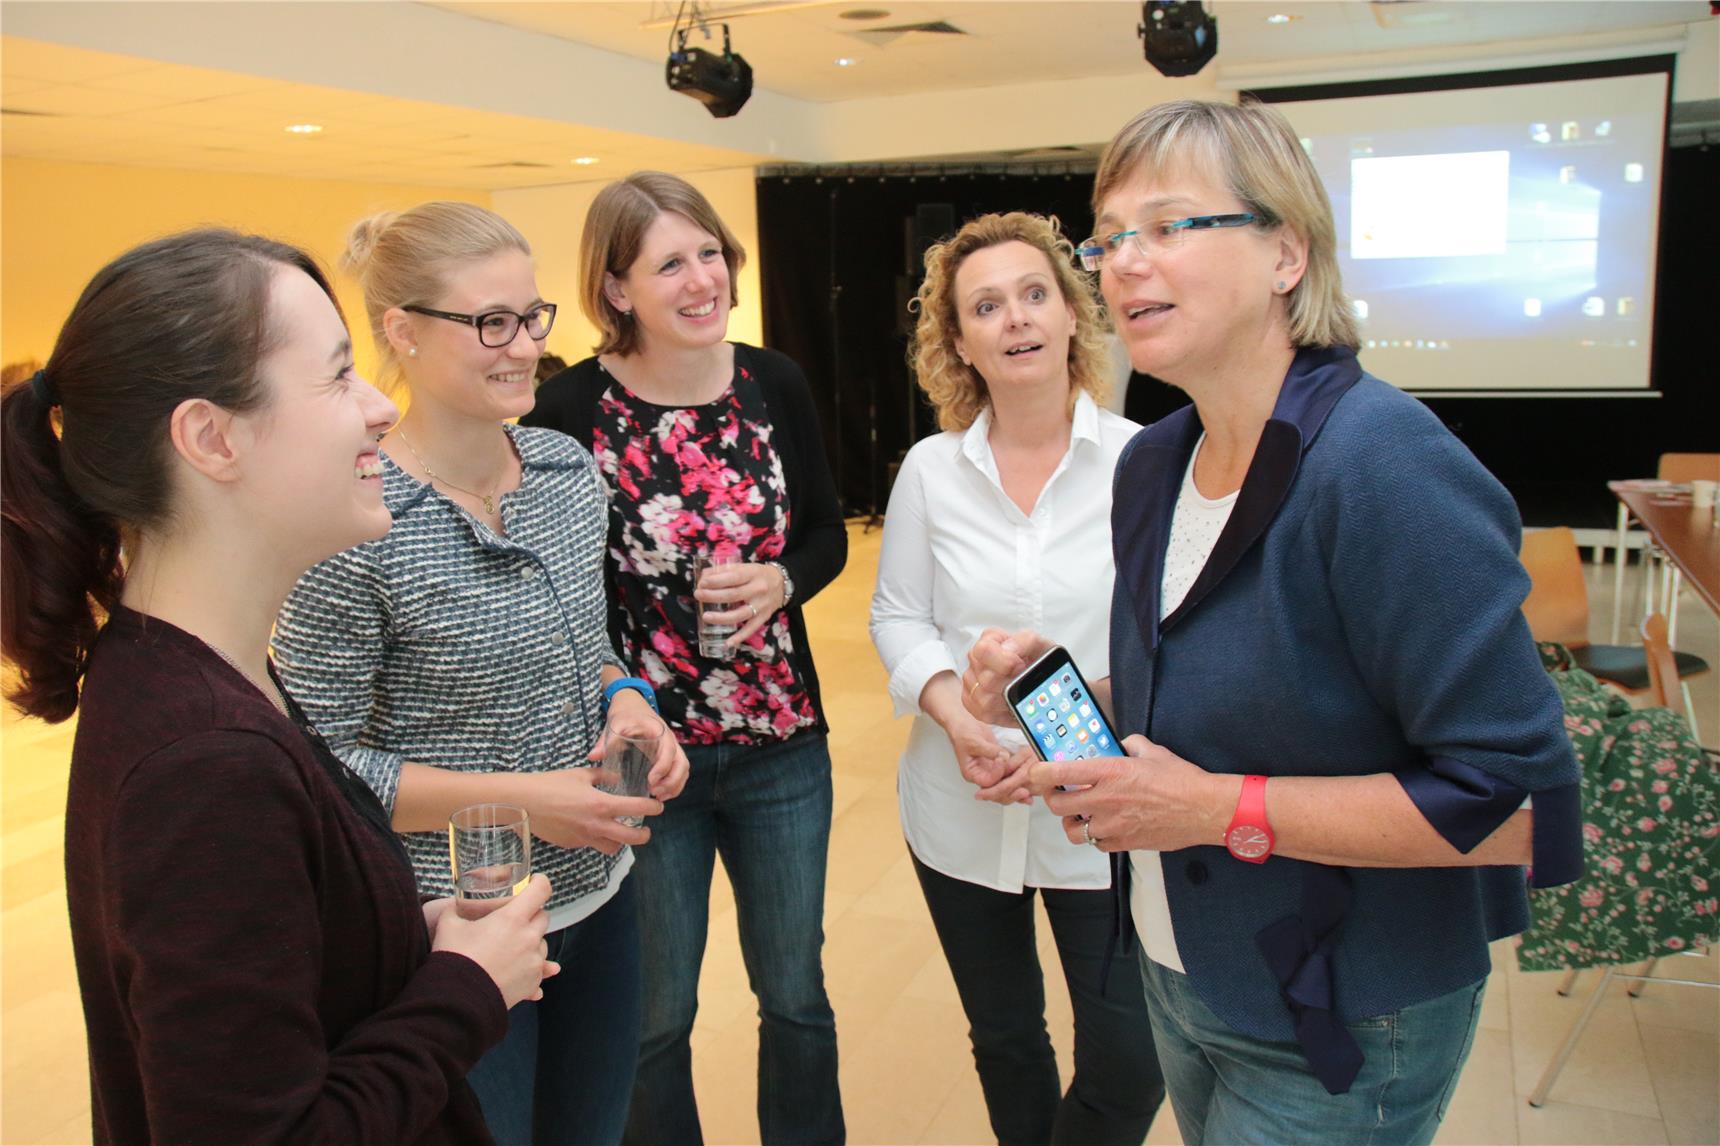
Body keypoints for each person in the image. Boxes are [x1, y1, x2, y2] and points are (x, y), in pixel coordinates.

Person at [962, 100, 1583, 1146]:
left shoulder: (1384, 465)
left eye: (1168, 226)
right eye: (1107, 240)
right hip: (1184, 965)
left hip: (1344, 1004)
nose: (1122, 263)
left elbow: (1521, 806)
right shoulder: (1155, 461)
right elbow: (1216, 686)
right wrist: (1066, 703)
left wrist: (1214, 808)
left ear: (1287, 252)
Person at [0, 229, 558, 1143]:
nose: (378, 407)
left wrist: (399, 941)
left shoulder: (197, 671)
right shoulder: (204, 762)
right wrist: (466, 990)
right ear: (211, 438)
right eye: (338, 376)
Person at [271, 202, 687, 1146]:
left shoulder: (565, 472)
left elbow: (590, 644)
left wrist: (629, 703)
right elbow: (320, 770)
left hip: (601, 897)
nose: (526, 347)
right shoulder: (354, 517)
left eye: (532, 317)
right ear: (402, 332)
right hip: (448, 933)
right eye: (492, 323)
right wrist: (526, 804)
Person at [523, 171, 846, 1146]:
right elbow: (555, 591)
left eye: (711, 253)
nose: (704, 278)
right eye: (671, 263)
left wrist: (783, 580)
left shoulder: (773, 381)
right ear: (615, 288)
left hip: (781, 745)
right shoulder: (567, 411)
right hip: (641, 759)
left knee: (795, 996)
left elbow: (826, 535)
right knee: (655, 1017)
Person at [869, 211, 1164, 1146]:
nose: (1017, 319)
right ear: (960, 342)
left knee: (1130, 1059)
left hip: (1100, 803)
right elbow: (899, 618)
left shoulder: (1146, 463)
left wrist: (1078, 715)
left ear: (1074, 314)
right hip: (960, 801)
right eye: (987, 306)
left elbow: (1170, 642)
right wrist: (960, 719)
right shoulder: (931, 471)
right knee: (1004, 1039)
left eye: (1036, 294)